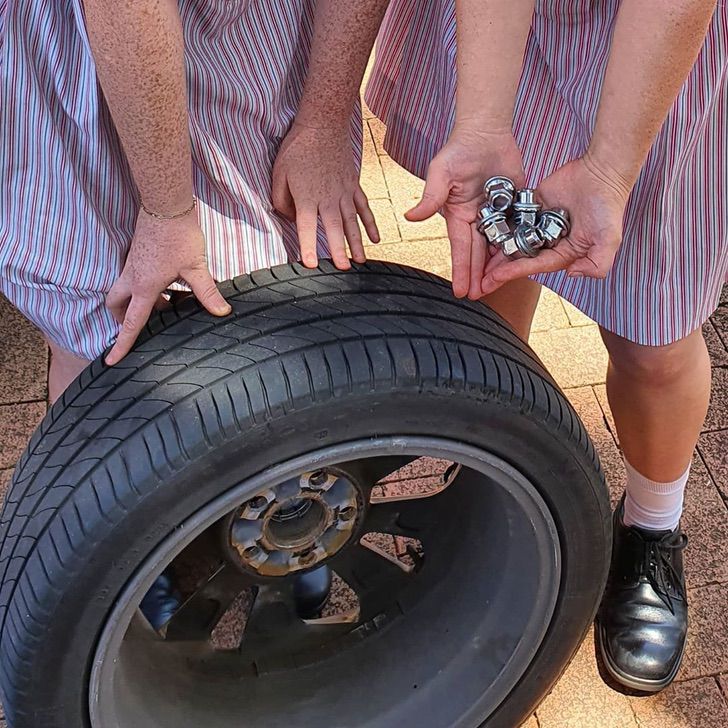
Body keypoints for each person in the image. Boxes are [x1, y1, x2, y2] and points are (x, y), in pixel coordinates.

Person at [365, 0, 727, 692]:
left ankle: (652, 529)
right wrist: (481, 125)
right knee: (498, 263)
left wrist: (611, 170)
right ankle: (496, 476)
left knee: (654, 334)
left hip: (666, 44)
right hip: (503, 25)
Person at [0, 0, 389, 623]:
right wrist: (164, 210)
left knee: (289, 290)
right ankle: (114, 553)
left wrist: (324, 115)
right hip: (98, 48)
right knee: (107, 311)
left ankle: (295, 512)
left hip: (256, 34)